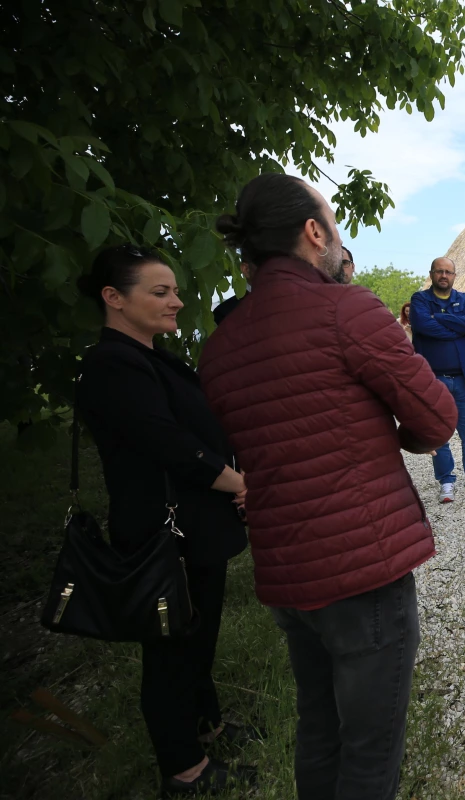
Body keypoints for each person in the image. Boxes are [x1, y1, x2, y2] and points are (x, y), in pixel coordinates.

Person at [199, 173, 457, 799]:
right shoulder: (347, 309)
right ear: (314, 232)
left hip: (287, 568)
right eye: (333, 220)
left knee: (319, 729)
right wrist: (392, 436)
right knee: (370, 752)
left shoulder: (221, 344)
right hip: (362, 569)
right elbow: (437, 418)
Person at [75, 244, 255, 797]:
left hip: (194, 529)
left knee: (196, 640)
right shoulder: (112, 364)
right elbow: (167, 444)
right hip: (163, 534)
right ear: (114, 298)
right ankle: (184, 769)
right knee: (171, 651)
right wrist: (238, 483)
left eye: (175, 290)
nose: (177, 301)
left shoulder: (151, 355)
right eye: (160, 292)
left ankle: (208, 727)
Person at [409, 257, 465, 503]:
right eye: (439, 271)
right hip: (433, 379)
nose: (444, 275)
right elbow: (423, 325)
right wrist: (455, 327)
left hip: (464, 378)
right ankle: (446, 481)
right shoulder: (420, 300)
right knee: (439, 433)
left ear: (454, 276)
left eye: (448, 272)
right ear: (432, 274)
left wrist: (440, 318)